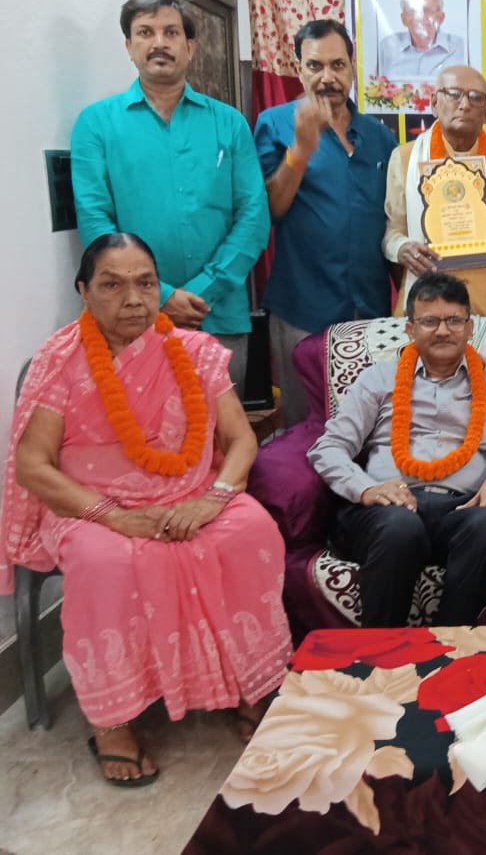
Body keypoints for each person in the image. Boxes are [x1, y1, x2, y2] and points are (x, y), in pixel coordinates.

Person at [4, 234, 290, 787]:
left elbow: (240, 440)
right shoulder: (60, 361)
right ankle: (113, 723)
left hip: (190, 492)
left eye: (145, 283)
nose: (133, 299)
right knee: (106, 561)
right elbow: (34, 467)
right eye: (112, 284)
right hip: (88, 504)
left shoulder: (195, 351)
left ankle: (250, 685)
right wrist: (112, 515)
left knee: (250, 529)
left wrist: (214, 499)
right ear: (84, 291)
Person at [307, 272, 486, 628]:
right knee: (400, 528)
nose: (443, 331)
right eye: (430, 321)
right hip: (386, 509)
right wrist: (366, 489)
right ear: (410, 330)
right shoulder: (379, 378)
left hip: (460, 508)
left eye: (454, 320)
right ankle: (382, 648)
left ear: (470, 328)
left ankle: (449, 643)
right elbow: (329, 447)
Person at [72, 0, 270, 395]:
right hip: (129, 316)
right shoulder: (96, 125)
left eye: (171, 32)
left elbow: (253, 216)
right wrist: (158, 296)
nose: (159, 42)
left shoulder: (229, 123)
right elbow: (95, 224)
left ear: (190, 47)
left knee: (220, 427)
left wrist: (199, 292)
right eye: (145, 32)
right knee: (137, 428)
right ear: (129, 47)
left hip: (217, 313)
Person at [255, 19, 399, 427]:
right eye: (315, 66)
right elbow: (270, 210)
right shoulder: (274, 124)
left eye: (337, 65)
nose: (327, 77)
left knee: (372, 428)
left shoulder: (380, 137)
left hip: (370, 311)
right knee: (306, 431)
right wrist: (301, 150)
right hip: (303, 310)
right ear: (299, 69)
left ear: (353, 68)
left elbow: (393, 222)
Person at [383, 65, 486, 319]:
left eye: (475, 97)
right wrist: (402, 247)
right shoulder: (404, 159)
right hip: (428, 303)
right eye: (454, 94)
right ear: (434, 103)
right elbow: (391, 231)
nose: (465, 105)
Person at [377, 0, 466, 80]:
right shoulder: (388, 46)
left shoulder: (460, 47)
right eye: (412, 11)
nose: (419, 17)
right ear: (403, 18)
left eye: (427, 11)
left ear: (440, 18)